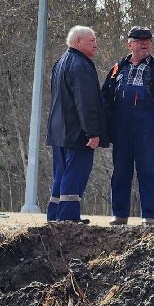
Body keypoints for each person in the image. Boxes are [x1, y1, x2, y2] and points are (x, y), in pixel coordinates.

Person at [101, 26, 154, 226]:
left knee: (148, 172)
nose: (144, 42)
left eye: (147, 39)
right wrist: (109, 121)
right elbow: (104, 97)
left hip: (149, 129)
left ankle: (149, 217)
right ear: (129, 43)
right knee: (120, 172)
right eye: (139, 39)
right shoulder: (117, 69)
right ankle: (119, 215)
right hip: (122, 129)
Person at [46, 25, 106, 223]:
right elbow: (85, 101)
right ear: (78, 42)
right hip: (77, 133)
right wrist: (93, 132)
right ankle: (68, 218)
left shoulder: (60, 62)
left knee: (61, 174)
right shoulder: (81, 65)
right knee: (75, 173)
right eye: (92, 40)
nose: (96, 44)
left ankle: (55, 216)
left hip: (59, 132)